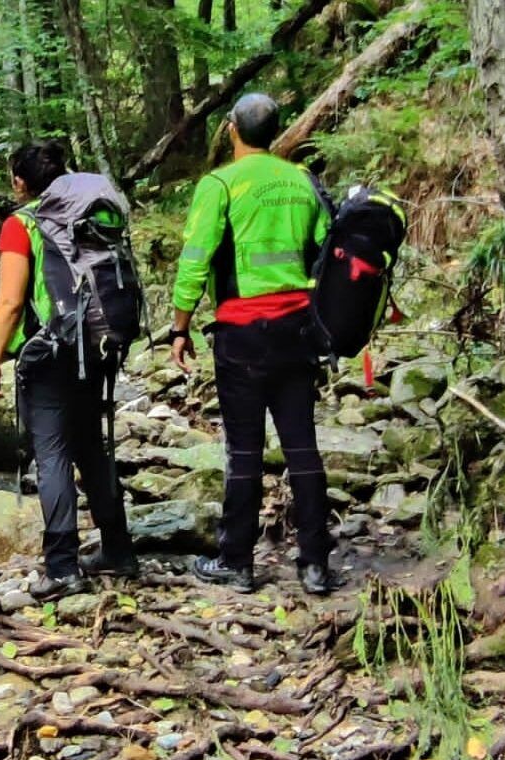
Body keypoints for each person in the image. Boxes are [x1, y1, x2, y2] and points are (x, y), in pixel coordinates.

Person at [167, 93, 339, 595]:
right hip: (300, 331)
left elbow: (195, 260)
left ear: (230, 129)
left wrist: (179, 328)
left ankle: (237, 562)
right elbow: (326, 252)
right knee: (302, 446)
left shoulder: (219, 184)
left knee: (244, 451)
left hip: (242, 334)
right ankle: (314, 566)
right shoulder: (302, 180)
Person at [0, 140, 137, 602]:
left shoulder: (21, 224)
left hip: (51, 351)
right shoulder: (89, 216)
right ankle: (118, 549)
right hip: (97, 343)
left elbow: (11, 302)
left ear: (19, 182)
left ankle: (63, 567)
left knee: (51, 452)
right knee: (91, 445)